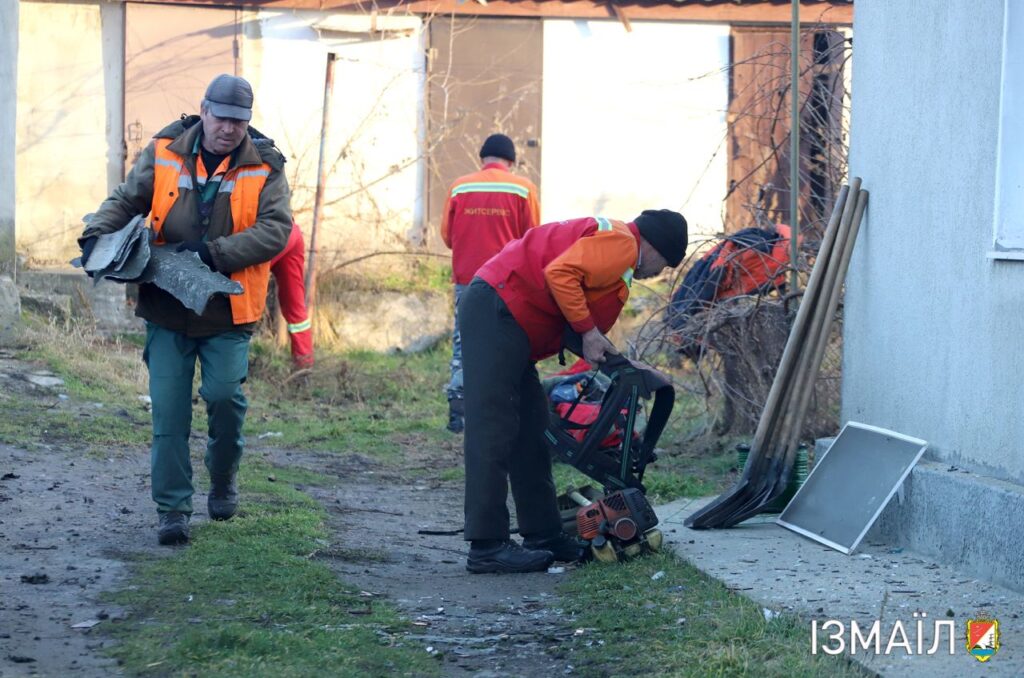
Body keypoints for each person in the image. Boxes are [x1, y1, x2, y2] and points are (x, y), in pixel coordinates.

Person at [79, 74, 292, 546]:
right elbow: (127, 199)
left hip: (228, 311)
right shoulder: (165, 149)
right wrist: (96, 233)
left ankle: (222, 480)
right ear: (204, 110)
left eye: (240, 121)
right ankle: (172, 511)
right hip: (165, 305)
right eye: (222, 117)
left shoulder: (266, 166)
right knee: (170, 414)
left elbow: (276, 230)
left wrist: (212, 254)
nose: (229, 129)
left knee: (224, 399)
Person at [459, 211, 688, 573]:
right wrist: (589, 331)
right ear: (656, 246)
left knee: (532, 431)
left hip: (509, 317)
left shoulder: (613, 245)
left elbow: (570, 305)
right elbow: (560, 275)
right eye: (665, 264)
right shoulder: (623, 244)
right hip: (498, 309)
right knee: (493, 428)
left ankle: (544, 536)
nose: (659, 273)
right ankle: (487, 546)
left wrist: (618, 360)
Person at [440, 133, 540, 433]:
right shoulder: (524, 189)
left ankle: (459, 416)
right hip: (508, 283)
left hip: (468, 281)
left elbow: (447, 236)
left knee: (464, 345)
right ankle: (504, 413)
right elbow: (532, 239)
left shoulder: (460, 186)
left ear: (482, 158)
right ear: (510, 160)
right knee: (508, 344)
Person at [270, 221, 315, 371]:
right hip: (290, 230)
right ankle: (304, 366)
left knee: (238, 291)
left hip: (267, 235)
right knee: (295, 308)